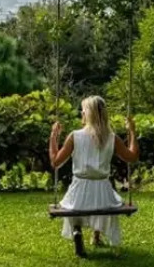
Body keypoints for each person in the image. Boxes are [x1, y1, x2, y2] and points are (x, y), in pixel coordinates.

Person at [49, 95, 139, 255]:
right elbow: (132, 157)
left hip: (78, 195)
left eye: (82, 112)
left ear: (87, 114)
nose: (81, 115)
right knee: (102, 200)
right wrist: (132, 132)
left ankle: (77, 229)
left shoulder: (75, 136)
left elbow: (55, 161)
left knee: (74, 202)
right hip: (103, 195)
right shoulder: (112, 138)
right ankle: (96, 235)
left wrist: (53, 136)